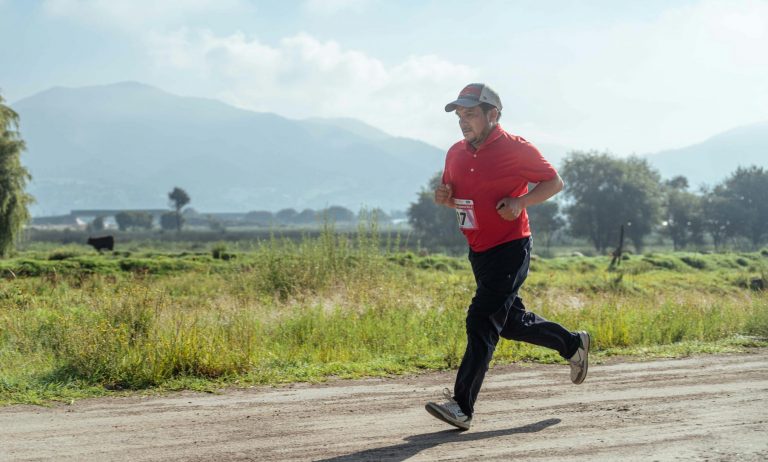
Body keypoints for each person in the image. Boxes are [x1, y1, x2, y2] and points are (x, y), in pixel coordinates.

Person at [424, 83, 590, 431]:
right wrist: (444, 198)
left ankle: (462, 406)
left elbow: (554, 182)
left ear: (493, 115)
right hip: (479, 251)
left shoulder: (516, 149)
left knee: (481, 319)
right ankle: (572, 343)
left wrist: (520, 202)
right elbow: (456, 197)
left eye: (470, 114)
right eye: (459, 115)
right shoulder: (455, 153)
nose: (463, 121)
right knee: (511, 323)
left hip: (511, 247)